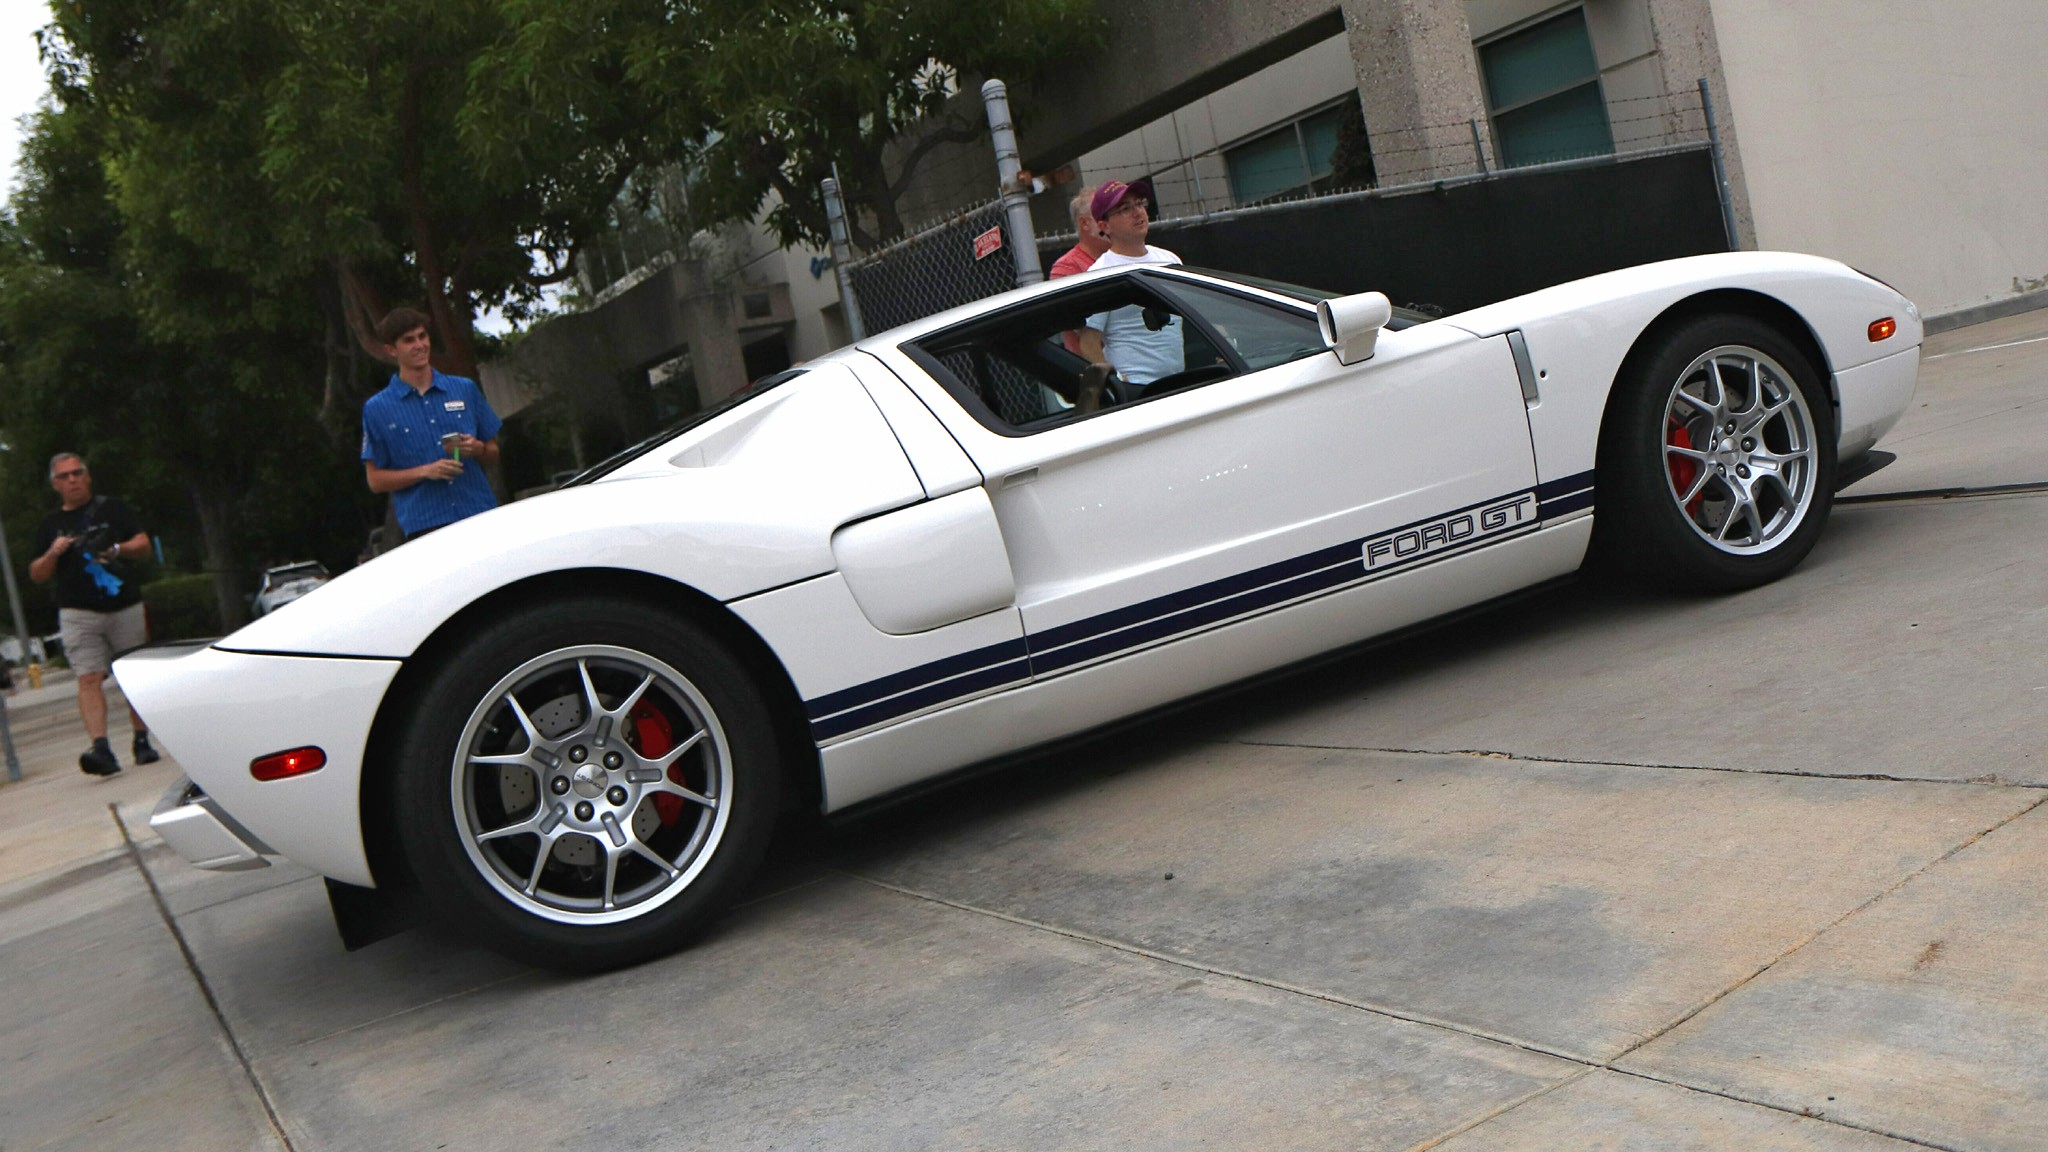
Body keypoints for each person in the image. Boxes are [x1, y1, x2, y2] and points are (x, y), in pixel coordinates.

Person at [28, 453, 160, 776]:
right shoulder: (50, 525)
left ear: (88, 477)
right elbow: (36, 573)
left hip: (123, 604)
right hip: (78, 611)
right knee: (88, 677)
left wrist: (116, 549)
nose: (72, 480)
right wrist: (53, 552)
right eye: (65, 476)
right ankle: (100, 748)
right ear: (55, 484)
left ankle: (142, 740)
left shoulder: (112, 509)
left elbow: (143, 544)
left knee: (132, 674)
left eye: (78, 473)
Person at [361, 308, 503, 542]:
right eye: (408, 340)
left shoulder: (464, 389)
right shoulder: (377, 408)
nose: (419, 345)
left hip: (478, 513)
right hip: (426, 527)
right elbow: (375, 480)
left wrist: (478, 449)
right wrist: (425, 471)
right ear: (391, 350)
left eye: (422, 336)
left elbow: (494, 453)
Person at [1076, 179, 1186, 386]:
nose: (1137, 212)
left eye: (1139, 203)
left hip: (1179, 381)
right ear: (1104, 225)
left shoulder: (1170, 260)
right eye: (1125, 209)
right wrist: (1117, 383)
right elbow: (1088, 341)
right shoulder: (1100, 274)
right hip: (1138, 389)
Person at [1052, 185, 1110, 355]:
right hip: (1098, 370)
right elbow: (1084, 328)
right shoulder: (1066, 268)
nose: (1111, 223)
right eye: (1104, 215)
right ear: (1085, 223)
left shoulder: (1120, 258)